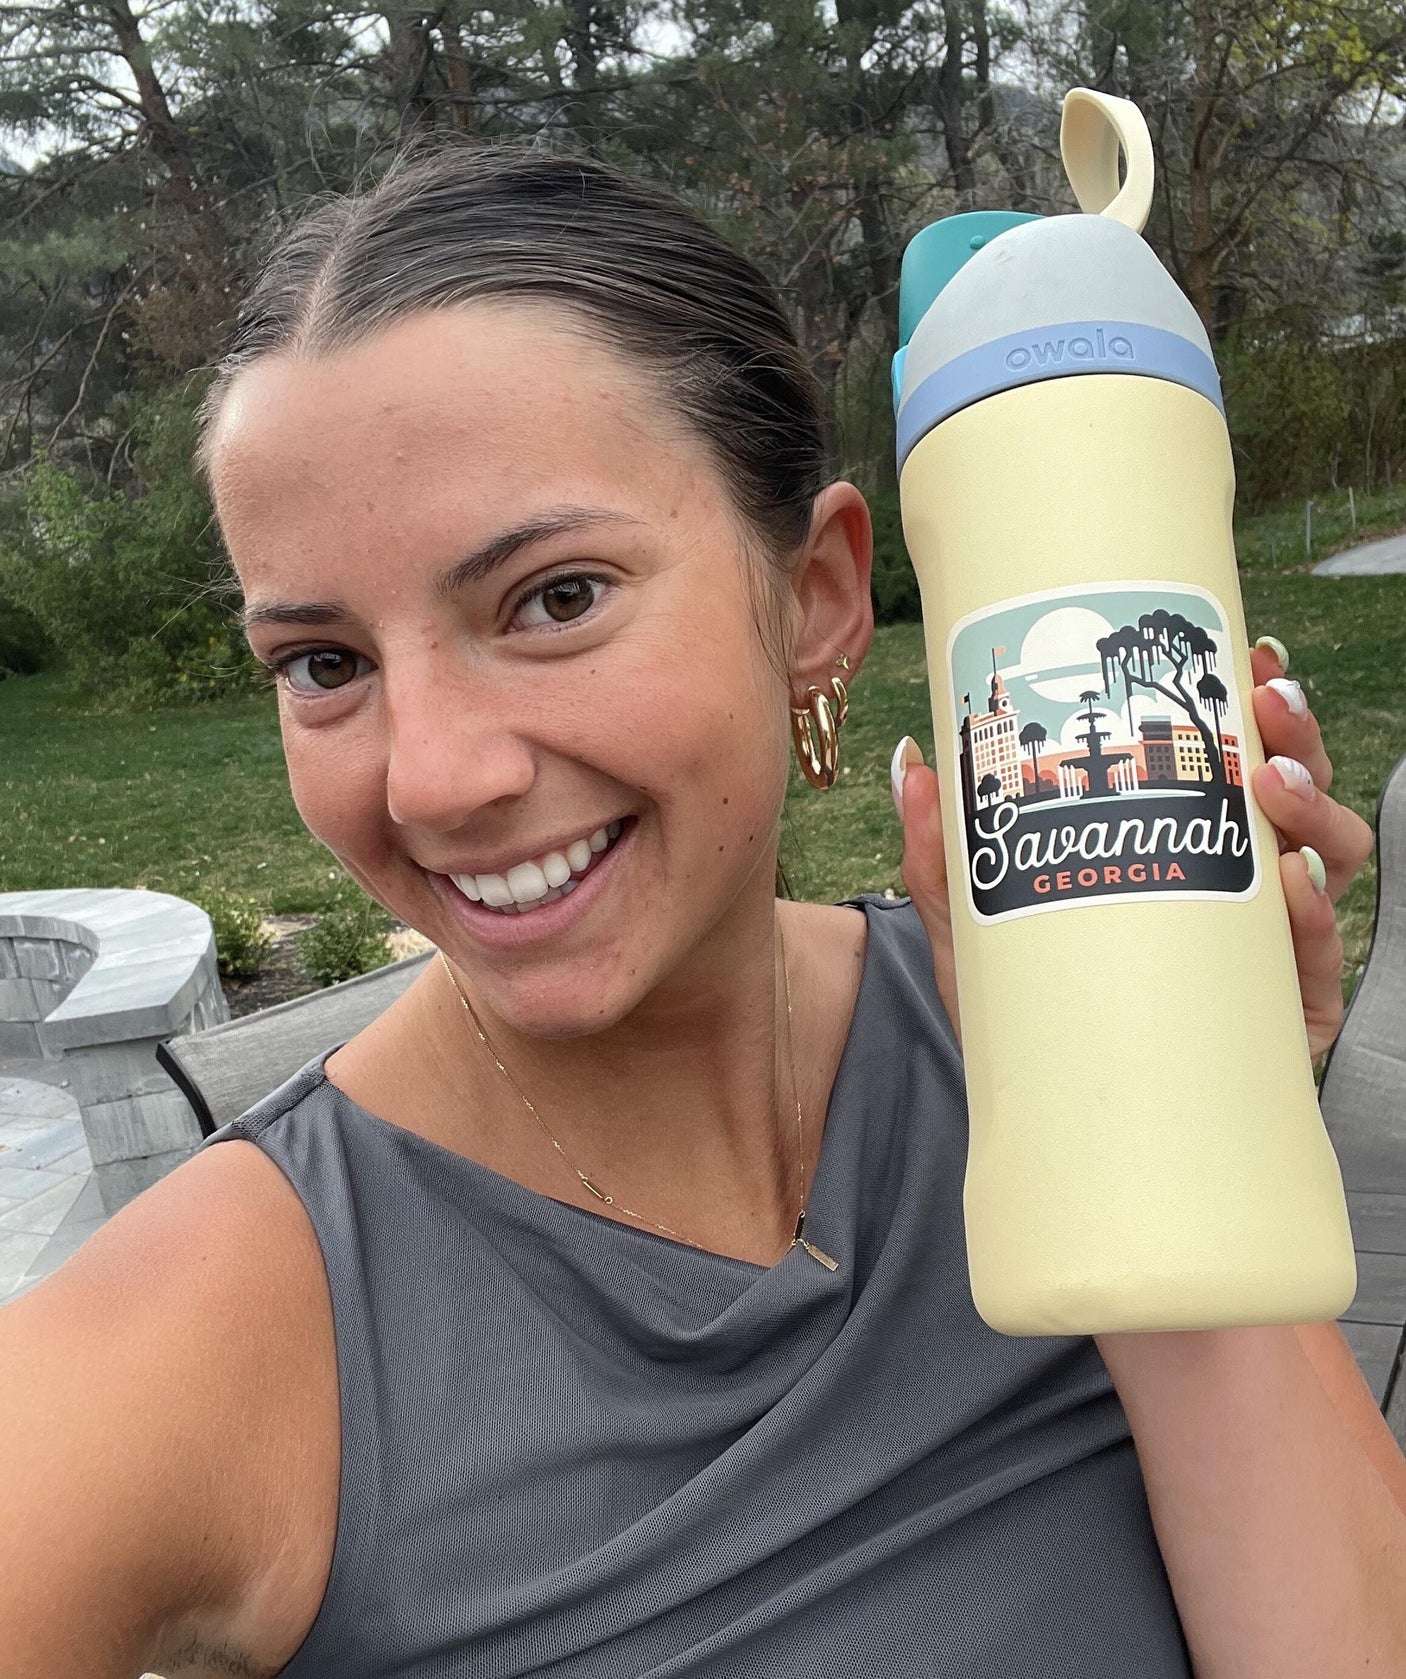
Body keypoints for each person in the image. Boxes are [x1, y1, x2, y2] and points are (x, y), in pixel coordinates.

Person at [4, 144, 1403, 1679]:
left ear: (813, 596)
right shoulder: (189, 1344)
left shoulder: (1015, 1019)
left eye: (554, 598)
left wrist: (1175, 1125)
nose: (433, 779)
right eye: (324, 664)